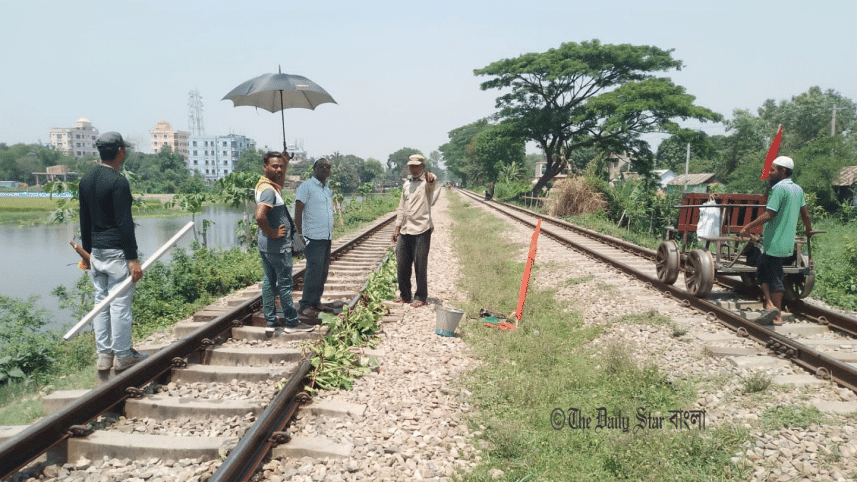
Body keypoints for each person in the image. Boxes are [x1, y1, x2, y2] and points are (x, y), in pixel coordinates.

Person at [78, 132, 147, 372]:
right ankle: (123, 354)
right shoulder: (118, 181)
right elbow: (124, 222)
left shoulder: (86, 179)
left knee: (101, 303)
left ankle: (104, 356)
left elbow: (84, 220)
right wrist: (133, 258)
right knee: (119, 304)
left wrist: (86, 254)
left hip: (96, 251)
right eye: (124, 149)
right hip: (117, 252)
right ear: (119, 151)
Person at [739, 156, 813, 325]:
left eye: (772, 170)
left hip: (774, 242)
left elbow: (768, 214)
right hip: (786, 242)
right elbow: (805, 214)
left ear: (783, 171)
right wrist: (808, 230)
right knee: (762, 270)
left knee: (774, 277)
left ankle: (777, 314)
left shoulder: (779, 189)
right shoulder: (797, 190)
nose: (770, 174)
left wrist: (747, 227)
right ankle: (769, 304)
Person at [254, 151, 314, 335]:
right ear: (265, 167)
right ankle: (291, 323)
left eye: (281, 166)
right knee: (285, 284)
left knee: (269, 282)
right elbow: (259, 216)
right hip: (278, 246)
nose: (279, 169)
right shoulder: (268, 192)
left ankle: (271, 321)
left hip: (266, 246)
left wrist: (286, 164)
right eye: (275, 166)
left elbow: (279, 183)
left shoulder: (265, 185)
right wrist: (272, 232)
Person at [392, 154, 437, 307]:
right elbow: (401, 207)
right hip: (405, 230)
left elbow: (432, 183)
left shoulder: (427, 182)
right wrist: (397, 228)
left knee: (420, 264)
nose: (414, 168)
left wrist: (431, 179)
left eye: (417, 166)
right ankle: (405, 295)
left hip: (421, 229)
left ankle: (421, 297)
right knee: (402, 264)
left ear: (422, 167)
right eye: (411, 166)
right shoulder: (406, 184)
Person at [295, 157, 335, 316]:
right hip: (313, 237)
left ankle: (316, 301)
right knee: (313, 271)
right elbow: (298, 210)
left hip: (326, 236)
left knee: (323, 271)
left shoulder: (326, 188)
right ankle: (305, 305)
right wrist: (298, 234)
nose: (325, 169)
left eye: (328, 167)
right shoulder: (306, 187)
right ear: (314, 168)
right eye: (322, 166)